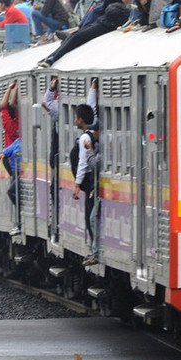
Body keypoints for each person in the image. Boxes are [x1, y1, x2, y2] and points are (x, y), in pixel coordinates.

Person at [74, 79, 100, 265]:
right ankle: (94, 250)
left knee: (90, 217)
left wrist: (76, 185)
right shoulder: (93, 131)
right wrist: (92, 91)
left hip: (91, 182)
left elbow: (84, 163)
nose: (75, 120)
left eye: (76, 117)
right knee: (91, 217)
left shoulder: (85, 137)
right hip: (94, 181)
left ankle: (95, 251)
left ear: (80, 120)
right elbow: (92, 110)